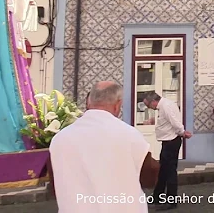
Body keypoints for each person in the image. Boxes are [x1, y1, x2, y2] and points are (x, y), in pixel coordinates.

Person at [50, 81, 159, 213]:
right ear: (118, 105)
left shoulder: (60, 139)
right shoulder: (130, 136)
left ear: (88, 103)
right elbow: (149, 178)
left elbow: (55, 185)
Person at [143, 92, 192, 211]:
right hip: (167, 142)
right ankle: (157, 196)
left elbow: (175, 122)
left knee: (170, 172)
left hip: (171, 141)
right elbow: (167, 120)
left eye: (148, 105)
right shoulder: (164, 106)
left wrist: (182, 132)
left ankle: (171, 200)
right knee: (163, 171)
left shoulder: (166, 106)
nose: (149, 107)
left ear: (153, 101)